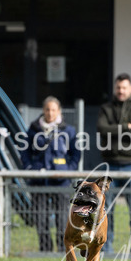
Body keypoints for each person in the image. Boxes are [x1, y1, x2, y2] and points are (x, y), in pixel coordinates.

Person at [97, 73, 131, 255]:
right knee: (106, 211)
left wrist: (114, 131)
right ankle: (106, 249)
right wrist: (126, 127)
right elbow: (102, 129)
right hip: (110, 165)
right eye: (118, 87)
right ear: (115, 88)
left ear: (130, 88)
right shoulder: (106, 108)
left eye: (124, 87)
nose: (121, 91)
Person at [21, 96, 80, 253]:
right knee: (40, 217)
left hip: (61, 181)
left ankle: (62, 250)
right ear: (43, 110)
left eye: (53, 110)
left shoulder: (68, 130)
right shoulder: (33, 129)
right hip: (39, 181)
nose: (50, 113)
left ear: (59, 111)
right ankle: (45, 250)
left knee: (62, 217)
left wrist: (68, 171)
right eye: (47, 109)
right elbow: (25, 152)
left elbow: (76, 154)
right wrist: (29, 168)